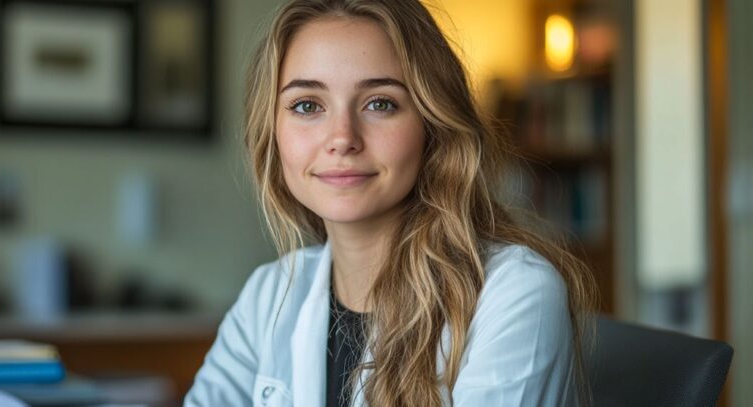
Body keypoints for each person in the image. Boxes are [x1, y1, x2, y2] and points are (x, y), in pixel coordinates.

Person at [184, 0, 597, 406]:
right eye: (307, 105)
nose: (342, 137)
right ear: (272, 132)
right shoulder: (269, 295)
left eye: (380, 103)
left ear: (432, 126)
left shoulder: (514, 293)